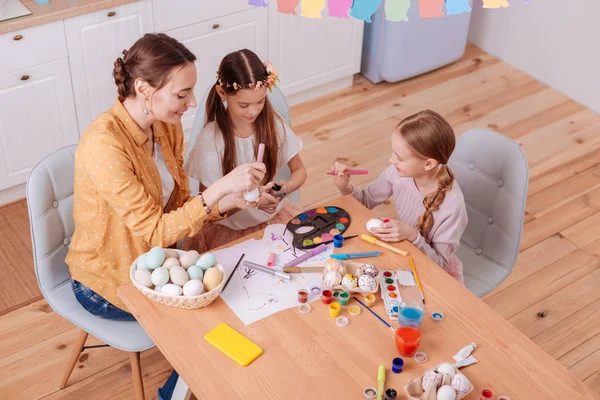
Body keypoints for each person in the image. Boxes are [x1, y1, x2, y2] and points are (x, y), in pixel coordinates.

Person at [65, 33, 265, 399]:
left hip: (156, 261)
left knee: (234, 288)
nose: (191, 103)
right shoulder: (104, 144)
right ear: (144, 88)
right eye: (181, 94)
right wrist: (218, 190)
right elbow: (155, 230)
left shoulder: (165, 125)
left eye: (190, 92)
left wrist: (229, 201)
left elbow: (179, 206)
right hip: (106, 279)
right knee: (211, 315)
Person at [184, 49, 307, 252]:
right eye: (243, 105)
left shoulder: (273, 125)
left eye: (260, 102)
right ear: (223, 93)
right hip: (226, 231)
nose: (253, 111)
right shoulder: (211, 141)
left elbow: (300, 171)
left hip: (272, 222)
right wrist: (251, 201)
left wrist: (285, 189)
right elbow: (208, 208)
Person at [331, 110, 468, 283]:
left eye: (399, 157)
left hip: (435, 272)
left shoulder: (452, 206)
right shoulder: (398, 174)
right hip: (401, 251)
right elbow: (366, 200)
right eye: (393, 153)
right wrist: (345, 188)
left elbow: (439, 264)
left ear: (428, 164)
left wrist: (412, 236)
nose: (391, 160)